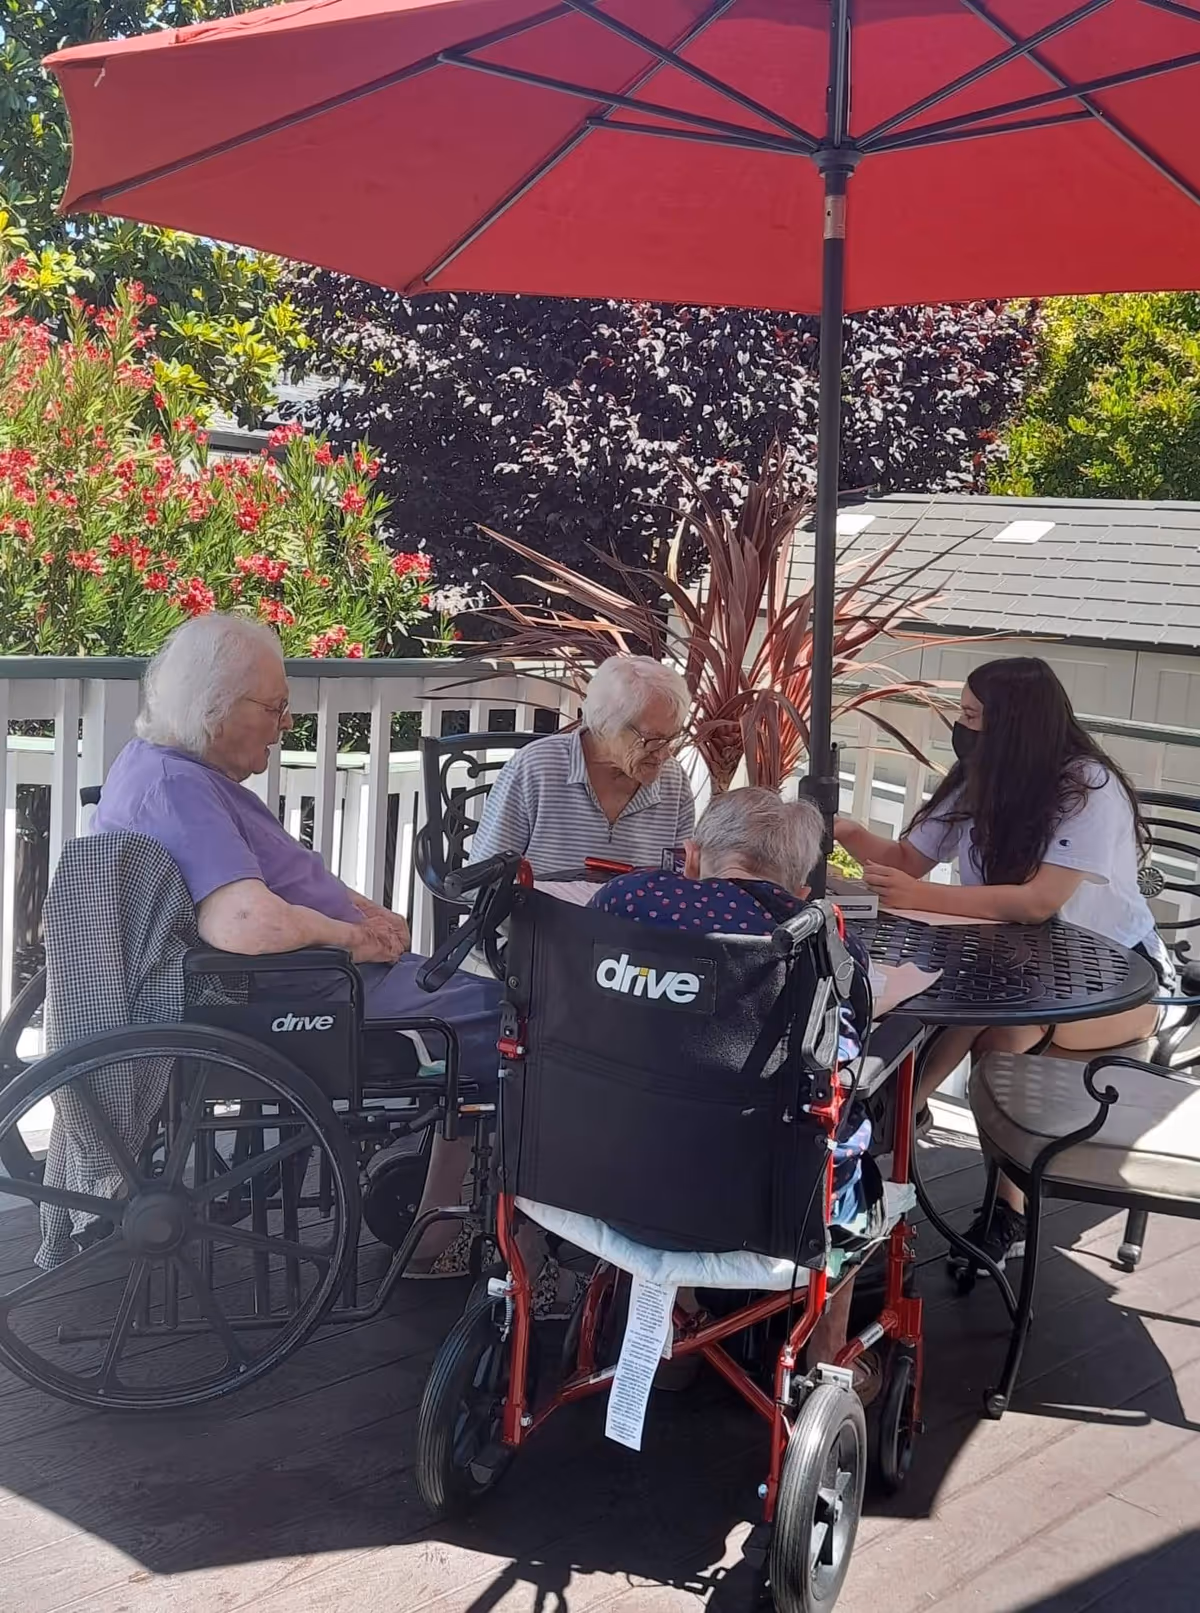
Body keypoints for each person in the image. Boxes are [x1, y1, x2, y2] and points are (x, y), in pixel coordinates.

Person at [91, 613, 503, 1274]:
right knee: (519, 1018)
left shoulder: (162, 765)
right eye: (276, 707)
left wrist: (364, 912)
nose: (287, 723)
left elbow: (278, 876)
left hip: (311, 979)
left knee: (496, 999)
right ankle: (451, 1231)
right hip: (307, 995)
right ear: (215, 708)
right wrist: (353, 938)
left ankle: (437, 1198)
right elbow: (246, 924)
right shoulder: (178, 788)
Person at [836, 655, 1170, 1272]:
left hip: (1117, 985)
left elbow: (1038, 901)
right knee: (958, 1001)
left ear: (1013, 725)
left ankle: (952, 1162)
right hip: (1011, 971)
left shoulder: (1086, 789)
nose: (960, 730)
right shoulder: (979, 777)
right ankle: (899, 1124)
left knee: (1004, 1030)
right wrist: (840, 826)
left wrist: (923, 897)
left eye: (970, 717)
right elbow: (908, 860)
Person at [591, 787, 879, 1393]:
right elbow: (842, 1053)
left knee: (663, 1095)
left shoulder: (623, 901)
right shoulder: (819, 937)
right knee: (858, 1163)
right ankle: (828, 1362)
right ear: (801, 888)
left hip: (601, 1178)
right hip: (761, 1207)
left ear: (692, 858)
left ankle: (674, 1318)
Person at [468, 655, 695, 877]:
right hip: (542, 913)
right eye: (652, 740)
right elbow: (484, 880)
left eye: (672, 738)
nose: (664, 754)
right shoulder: (536, 769)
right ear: (605, 724)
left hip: (630, 915)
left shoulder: (673, 781)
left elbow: (677, 887)